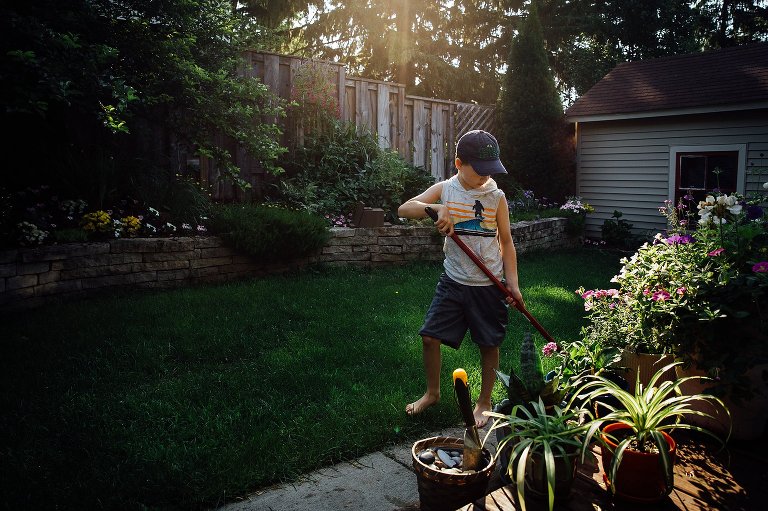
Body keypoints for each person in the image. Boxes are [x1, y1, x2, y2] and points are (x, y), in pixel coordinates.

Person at [397, 129, 523, 428]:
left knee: (488, 343)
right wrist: (437, 207)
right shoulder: (446, 189)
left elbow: (506, 242)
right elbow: (404, 208)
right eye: (479, 170)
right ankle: (432, 393)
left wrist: (512, 283)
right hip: (453, 281)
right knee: (429, 337)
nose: (485, 177)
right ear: (458, 163)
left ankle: (484, 401)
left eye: (490, 171)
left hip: (487, 285)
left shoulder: (496, 196)